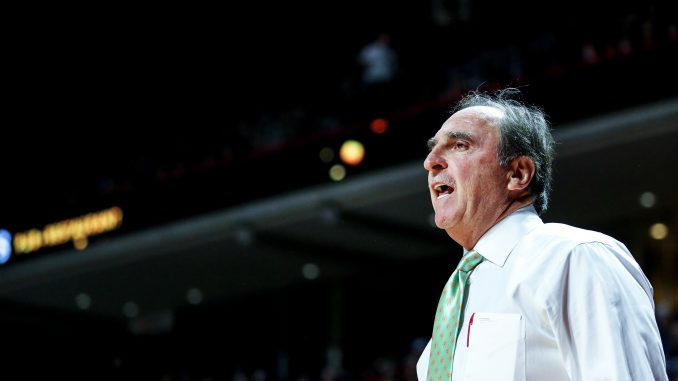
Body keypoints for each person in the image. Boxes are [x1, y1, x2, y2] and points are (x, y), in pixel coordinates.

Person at [418, 88, 668, 380]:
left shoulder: (575, 257)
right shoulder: (457, 293)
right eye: (433, 148)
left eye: (460, 145)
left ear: (518, 173)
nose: (431, 161)